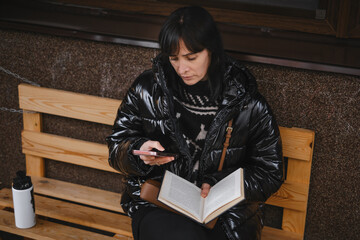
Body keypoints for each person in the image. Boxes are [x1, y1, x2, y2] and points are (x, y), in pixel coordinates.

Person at [106, 6, 283, 240]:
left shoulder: (247, 102)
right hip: (159, 202)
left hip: (226, 213)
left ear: (212, 51)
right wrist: (139, 154)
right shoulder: (147, 90)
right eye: (174, 58)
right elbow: (117, 146)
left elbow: (269, 172)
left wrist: (217, 184)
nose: (182, 68)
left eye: (191, 58)